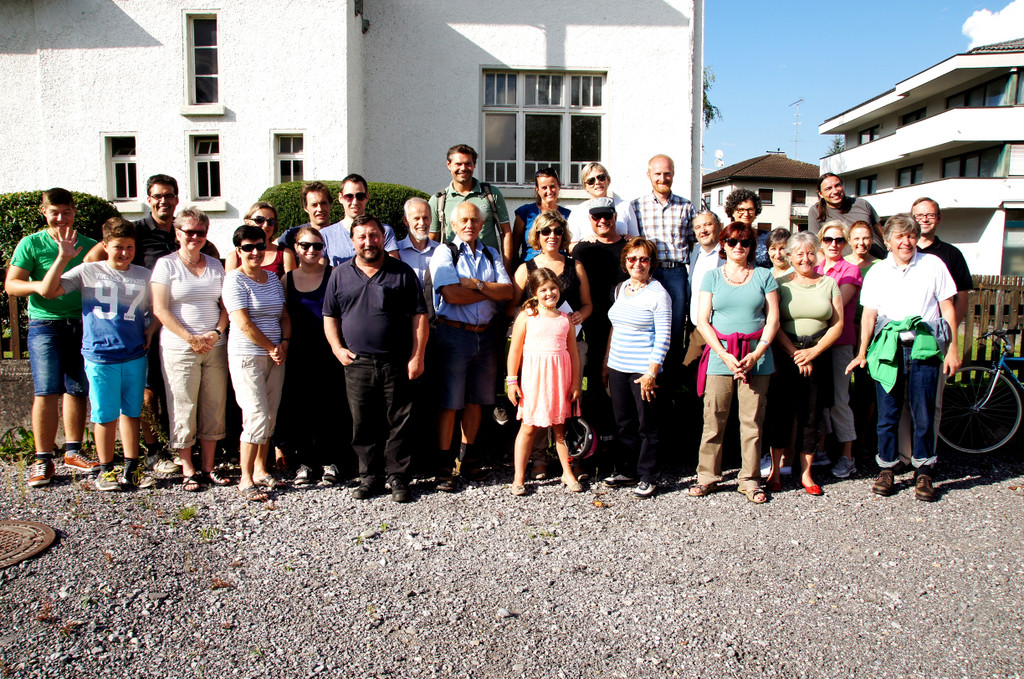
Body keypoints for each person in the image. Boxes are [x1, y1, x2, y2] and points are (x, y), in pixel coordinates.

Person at [84, 175, 216, 473]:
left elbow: (210, 257)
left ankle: (180, 446)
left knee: (175, 387)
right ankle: (154, 449)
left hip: (174, 324)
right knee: (148, 389)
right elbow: (95, 259)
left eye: (169, 195)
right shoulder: (137, 231)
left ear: (177, 198)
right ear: (149, 199)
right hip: (142, 318)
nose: (163, 201)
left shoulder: (187, 230)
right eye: (158, 196)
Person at [38, 217, 158, 491]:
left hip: (134, 354)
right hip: (101, 356)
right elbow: (48, 291)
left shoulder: (143, 275)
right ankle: (106, 470)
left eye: (129, 247)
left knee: (132, 412)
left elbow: (159, 307)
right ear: (105, 246)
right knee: (105, 415)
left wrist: (151, 329)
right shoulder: (88, 271)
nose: (124, 253)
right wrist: (62, 258)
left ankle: (131, 469)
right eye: (118, 247)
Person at [846, 214, 960, 502]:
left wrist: (953, 349)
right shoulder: (878, 271)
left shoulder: (933, 265)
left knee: (924, 413)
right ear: (887, 241)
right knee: (887, 413)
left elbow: (948, 309)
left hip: (925, 346)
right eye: (899, 236)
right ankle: (887, 467)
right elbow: (869, 315)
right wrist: (862, 352)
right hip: (889, 348)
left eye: (910, 235)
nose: (906, 242)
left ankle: (924, 470)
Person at [323, 215, 428, 503]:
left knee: (400, 422)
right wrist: (337, 348)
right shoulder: (339, 274)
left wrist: (417, 356)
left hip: (396, 361)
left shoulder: (402, 272)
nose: (368, 242)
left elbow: (419, 316)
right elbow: (330, 315)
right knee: (363, 423)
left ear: (383, 238)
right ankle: (369, 477)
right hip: (357, 363)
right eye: (362, 236)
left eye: (373, 235)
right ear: (352, 241)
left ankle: (398, 477)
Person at [5, 188, 98, 487]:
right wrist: (38, 286)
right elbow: (12, 285)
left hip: (81, 323)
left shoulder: (89, 245)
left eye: (66, 212)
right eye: (54, 212)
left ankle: (73, 451)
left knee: (77, 388)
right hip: (45, 324)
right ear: (43, 212)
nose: (61, 218)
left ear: (74, 212)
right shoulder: (31, 243)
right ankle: (43, 458)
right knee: (46, 390)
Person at [690, 222, 780, 504]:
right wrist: (724, 354)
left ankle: (750, 480)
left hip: (756, 357)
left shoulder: (764, 276)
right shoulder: (712, 277)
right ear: (723, 245)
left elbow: (773, 319)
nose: (738, 246)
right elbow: (703, 321)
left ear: (752, 246)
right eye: (732, 241)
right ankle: (707, 476)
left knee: (752, 421)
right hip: (721, 356)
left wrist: (757, 352)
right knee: (713, 419)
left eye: (745, 242)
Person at [428, 202, 513, 492]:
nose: (469, 225)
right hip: (454, 334)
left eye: (475, 220)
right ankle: (443, 466)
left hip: (486, 336)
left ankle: (468, 460)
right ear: (453, 225)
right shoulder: (445, 252)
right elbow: (451, 295)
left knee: (477, 401)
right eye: (463, 220)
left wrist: (475, 285)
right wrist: (489, 290)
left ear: (482, 225)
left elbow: (508, 291)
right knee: (450, 402)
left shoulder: (491, 253)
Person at [150, 208, 230, 491]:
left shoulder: (216, 266)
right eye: (189, 231)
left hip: (214, 346)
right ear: (178, 233)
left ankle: (208, 467)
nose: (195, 237)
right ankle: (188, 468)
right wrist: (190, 338)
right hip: (179, 347)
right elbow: (160, 309)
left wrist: (216, 332)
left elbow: (226, 306)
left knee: (214, 405)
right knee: (183, 405)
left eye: (201, 232)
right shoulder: (166, 265)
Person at [509, 210, 593, 480]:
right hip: (537, 351)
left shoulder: (575, 265)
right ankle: (538, 459)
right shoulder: (525, 268)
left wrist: (580, 315)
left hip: (569, 344)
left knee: (564, 408)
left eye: (557, 230)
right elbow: (512, 307)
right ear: (537, 235)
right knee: (536, 409)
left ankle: (572, 459)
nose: (552, 236)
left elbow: (588, 304)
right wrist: (530, 318)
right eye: (546, 231)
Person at [765, 232, 843, 496]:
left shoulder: (829, 283)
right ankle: (776, 471)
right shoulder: (780, 284)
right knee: (780, 413)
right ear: (789, 256)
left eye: (810, 253)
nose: (805, 259)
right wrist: (796, 353)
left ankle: (806, 473)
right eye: (799, 254)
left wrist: (814, 352)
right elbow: (773, 322)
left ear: (817, 255)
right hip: (785, 355)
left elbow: (838, 324)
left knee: (811, 414)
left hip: (818, 354)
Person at [222, 225, 291, 502]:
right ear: (238, 251)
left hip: (275, 356)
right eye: (248, 247)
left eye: (260, 246)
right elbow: (243, 323)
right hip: (247, 356)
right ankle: (246, 478)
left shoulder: (272, 278)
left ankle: (262, 470)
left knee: (270, 416)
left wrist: (284, 343)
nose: (255, 252)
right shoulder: (234, 280)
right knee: (256, 416)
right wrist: (271, 347)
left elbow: (284, 316)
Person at [601, 237, 671, 498]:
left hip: (643, 370)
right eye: (632, 258)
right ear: (625, 262)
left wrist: (652, 372)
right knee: (623, 423)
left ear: (651, 263)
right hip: (618, 366)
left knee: (647, 425)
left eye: (643, 259)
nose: (637, 264)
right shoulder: (621, 289)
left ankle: (648, 475)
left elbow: (664, 336)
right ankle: (627, 470)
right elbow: (615, 327)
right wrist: (607, 360)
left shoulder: (658, 294)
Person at [275, 226, 345, 487]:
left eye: (317, 245)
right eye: (305, 245)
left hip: (328, 351)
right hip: (299, 352)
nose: (311, 250)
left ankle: (330, 461)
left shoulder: (334, 275)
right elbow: (283, 317)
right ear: (296, 248)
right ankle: (304, 463)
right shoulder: (287, 280)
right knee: (301, 407)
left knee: (330, 407)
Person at [506, 268, 582, 496]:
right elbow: (515, 351)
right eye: (544, 290)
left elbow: (574, 353)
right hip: (535, 381)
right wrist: (512, 381)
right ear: (534, 292)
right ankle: (518, 477)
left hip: (560, 380)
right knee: (528, 427)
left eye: (553, 288)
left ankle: (567, 472)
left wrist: (575, 384)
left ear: (559, 289)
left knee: (560, 429)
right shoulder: (526, 316)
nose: (549, 293)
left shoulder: (565, 319)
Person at [571, 198, 630, 467]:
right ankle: (595, 444)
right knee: (595, 382)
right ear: (590, 220)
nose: (603, 221)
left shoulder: (628, 247)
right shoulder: (583, 249)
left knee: (620, 385)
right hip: (592, 324)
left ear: (615, 217)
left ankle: (621, 445)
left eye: (607, 216)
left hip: (624, 325)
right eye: (597, 217)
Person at [628, 154, 695, 376]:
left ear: (673, 175)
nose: (662, 178)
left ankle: (670, 381)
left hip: (676, 272)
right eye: (657, 174)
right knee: (648, 324)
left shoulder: (686, 206)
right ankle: (647, 374)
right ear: (649, 175)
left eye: (667, 173)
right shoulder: (637, 206)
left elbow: (693, 240)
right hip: (650, 272)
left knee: (675, 326)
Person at [816, 221, 863, 478]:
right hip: (816, 343)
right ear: (821, 241)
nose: (833, 244)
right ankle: (821, 449)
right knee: (820, 401)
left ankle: (847, 454)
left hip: (839, 343)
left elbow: (835, 307)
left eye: (839, 240)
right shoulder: (815, 268)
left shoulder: (850, 271)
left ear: (845, 243)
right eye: (828, 239)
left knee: (839, 400)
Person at [429, 144, 513, 270]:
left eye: (468, 164)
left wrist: (506, 269)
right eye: (458, 164)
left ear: (474, 165)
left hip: (488, 267)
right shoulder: (439, 200)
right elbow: (432, 240)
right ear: (449, 165)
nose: (463, 168)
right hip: (453, 268)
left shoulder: (491, 194)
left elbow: (506, 232)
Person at [320, 174, 399, 266]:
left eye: (360, 196)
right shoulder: (326, 235)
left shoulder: (384, 231)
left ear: (367, 197)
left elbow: (393, 268)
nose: (355, 202)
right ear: (340, 198)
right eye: (349, 196)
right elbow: (319, 271)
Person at [807, 173, 885, 258]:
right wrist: (829, 265)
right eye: (828, 188)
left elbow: (882, 234)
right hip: (844, 264)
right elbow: (816, 247)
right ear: (820, 193)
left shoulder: (862, 204)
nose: (835, 191)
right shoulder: (816, 211)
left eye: (837, 185)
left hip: (878, 258)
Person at [567, 162, 638, 247]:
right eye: (591, 181)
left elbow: (637, 238)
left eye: (601, 178)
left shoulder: (624, 206)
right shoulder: (578, 212)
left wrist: (633, 240)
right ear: (585, 186)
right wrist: (583, 243)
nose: (597, 182)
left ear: (608, 180)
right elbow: (570, 246)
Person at [515, 167, 571, 262]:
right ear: (537, 189)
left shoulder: (568, 215)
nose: (549, 191)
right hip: (530, 265)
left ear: (559, 186)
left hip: (558, 264)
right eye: (544, 187)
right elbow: (514, 248)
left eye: (552, 186)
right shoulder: (525, 212)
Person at [226, 202, 296, 277]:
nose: (266, 225)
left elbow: (291, 283)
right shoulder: (234, 257)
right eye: (259, 220)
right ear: (247, 221)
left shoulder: (285, 254)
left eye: (271, 221)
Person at [277, 181, 335, 252]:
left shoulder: (340, 234)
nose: (320, 209)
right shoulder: (294, 234)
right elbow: (271, 248)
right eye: (314, 205)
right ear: (305, 208)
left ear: (330, 204)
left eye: (323, 203)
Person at [397, 197, 440, 286]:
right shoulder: (397, 251)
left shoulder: (440, 251)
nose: (422, 223)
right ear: (406, 221)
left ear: (431, 219)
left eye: (425, 218)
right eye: (416, 218)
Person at [725, 189, 771, 268]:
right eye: (741, 210)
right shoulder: (725, 237)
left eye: (750, 210)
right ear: (732, 212)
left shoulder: (767, 238)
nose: (746, 214)